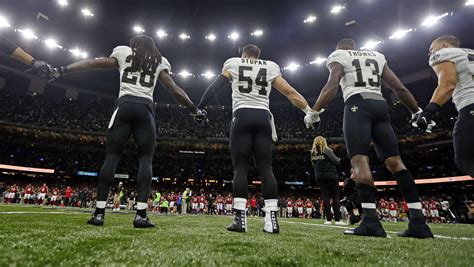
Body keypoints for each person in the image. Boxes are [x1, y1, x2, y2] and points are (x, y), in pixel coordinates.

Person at [48, 35, 206, 228]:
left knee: (111, 158)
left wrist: (62, 70)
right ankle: (140, 215)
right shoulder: (159, 62)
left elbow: (93, 63)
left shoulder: (123, 52)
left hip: (123, 106)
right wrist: (194, 109)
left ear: (134, 45)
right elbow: (175, 90)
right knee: (145, 160)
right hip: (146, 111)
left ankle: (99, 214)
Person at [308, 38, 433, 238]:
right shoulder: (377, 56)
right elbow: (399, 88)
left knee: (359, 160)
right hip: (381, 106)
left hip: (358, 105)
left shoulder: (339, 56)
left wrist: (314, 112)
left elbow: (332, 85)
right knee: (396, 162)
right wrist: (417, 111)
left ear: (339, 49)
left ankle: (371, 221)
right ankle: (419, 222)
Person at [197, 44, 319, 234]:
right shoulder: (270, 66)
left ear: (243, 54)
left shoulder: (234, 63)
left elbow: (216, 85)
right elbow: (289, 92)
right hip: (263, 117)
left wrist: (199, 107)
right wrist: (309, 112)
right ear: (258, 55)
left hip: (242, 115)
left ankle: (240, 219)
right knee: (266, 167)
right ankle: (271, 221)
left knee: (241, 168)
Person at [413, 35, 474, 177]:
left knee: (466, 161)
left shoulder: (443, 54)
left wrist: (428, 112)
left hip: (470, 104)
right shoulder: (470, 52)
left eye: (432, 49)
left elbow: (447, 84)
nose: (430, 53)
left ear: (445, 46)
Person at [311, 136, 345, 225]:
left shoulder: (313, 153)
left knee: (325, 197)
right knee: (335, 197)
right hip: (331, 176)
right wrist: (340, 159)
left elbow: (313, 165)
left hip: (319, 177)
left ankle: (328, 219)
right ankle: (337, 219)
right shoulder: (327, 151)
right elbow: (337, 161)